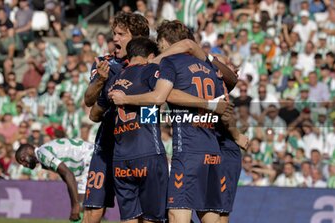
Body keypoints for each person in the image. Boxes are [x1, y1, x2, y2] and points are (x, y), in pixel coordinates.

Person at [109, 20, 235, 223]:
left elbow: (161, 96)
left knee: (177, 215)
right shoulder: (208, 67)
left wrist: (127, 98)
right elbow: (227, 99)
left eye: (159, 44)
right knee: (212, 217)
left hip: (188, 150)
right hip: (213, 150)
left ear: (166, 43)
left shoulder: (169, 63)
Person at [91, 37, 168, 222]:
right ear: (150, 56)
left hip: (120, 159)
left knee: (129, 218)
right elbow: (157, 99)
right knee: (152, 218)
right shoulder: (151, 69)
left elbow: (94, 114)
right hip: (147, 151)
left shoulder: (115, 79)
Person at [82, 12, 150, 223]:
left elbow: (155, 106)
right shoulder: (104, 63)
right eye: (114, 34)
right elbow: (89, 101)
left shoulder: (150, 65)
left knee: (140, 212)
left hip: (139, 146)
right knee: (93, 209)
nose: (115, 39)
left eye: (121, 34)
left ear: (137, 37)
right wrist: (100, 81)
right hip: (107, 146)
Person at [15, 138, 94, 222]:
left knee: (82, 203)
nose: (24, 165)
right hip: (91, 154)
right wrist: (73, 204)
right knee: (85, 204)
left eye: (22, 160)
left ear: (28, 151)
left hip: (90, 156)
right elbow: (67, 179)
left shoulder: (42, 154)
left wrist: (75, 206)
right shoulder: (44, 153)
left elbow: (69, 174)